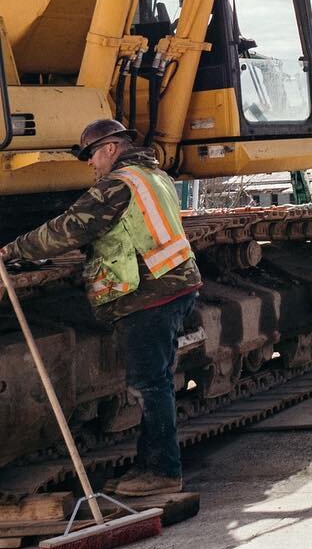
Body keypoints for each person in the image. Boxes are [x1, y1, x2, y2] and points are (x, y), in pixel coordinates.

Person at [3, 117, 200, 498]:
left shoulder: (118, 184)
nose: (91, 164)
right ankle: (150, 465)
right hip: (174, 285)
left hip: (150, 292)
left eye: (92, 155)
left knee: (148, 384)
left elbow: (69, 228)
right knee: (156, 381)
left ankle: (162, 471)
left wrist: (13, 249)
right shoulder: (153, 175)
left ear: (111, 148)